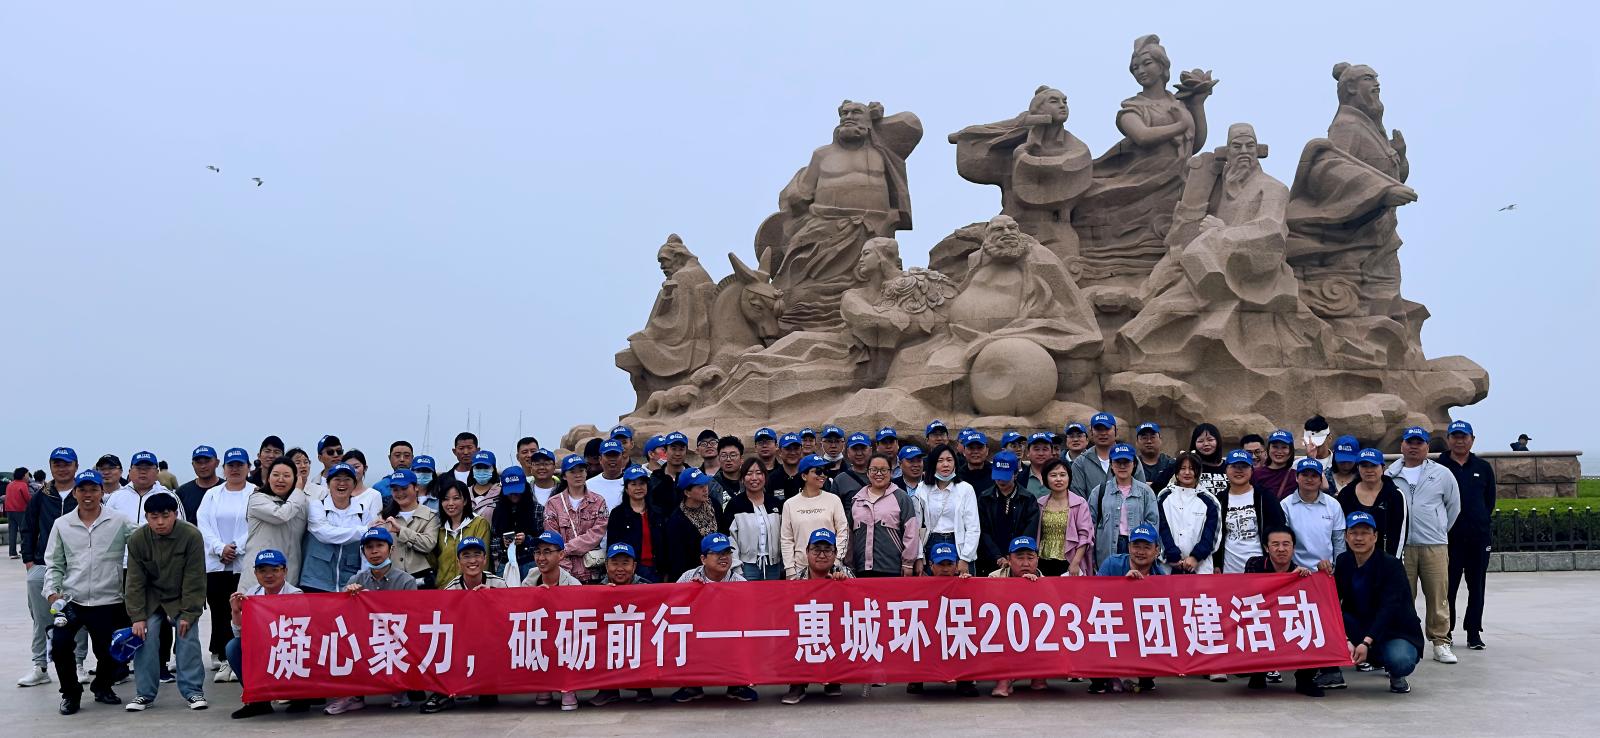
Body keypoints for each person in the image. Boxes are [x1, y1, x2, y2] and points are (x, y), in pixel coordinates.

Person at [43, 470, 134, 715]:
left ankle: (102, 686)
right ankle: (70, 693)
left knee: (110, 651)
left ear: (101, 492)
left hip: (109, 598)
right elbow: (54, 562)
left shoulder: (119, 520)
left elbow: (143, 543)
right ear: (74, 492)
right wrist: (52, 592)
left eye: (94, 489)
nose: (88, 495)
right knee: (60, 645)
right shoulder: (62, 524)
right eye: (82, 489)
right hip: (72, 600)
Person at [123, 492, 208, 712]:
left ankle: (193, 691)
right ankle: (144, 694)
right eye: (154, 517)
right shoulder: (137, 539)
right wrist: (137, 617)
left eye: (165, 516)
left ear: (175, 514)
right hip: (151, 599)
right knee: (144, 636)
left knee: (187, 637)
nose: (160, 522)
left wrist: (189, 613)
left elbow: (195, 577)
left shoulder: (191, 535)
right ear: (146, 517)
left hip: (181, 597)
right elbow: (134, 582)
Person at [1386, 426, 1461, 664]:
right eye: (1410, 442)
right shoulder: (1390, 474)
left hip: (1434, 544)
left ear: (1427, 446)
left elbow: (1453, 507)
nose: (1414, 447)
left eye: (1419, 442)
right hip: (1402, 547)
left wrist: (1438, 529)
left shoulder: (1442, 474)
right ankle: (1404, 640)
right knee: (1402, 597)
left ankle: (1440, 642)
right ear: (1402, 445)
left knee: (1438, 596)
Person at [324, 527, 419, 715]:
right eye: (369, 547)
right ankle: (354, 695)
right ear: (363, 552)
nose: (374, 551)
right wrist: (348, 597)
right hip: (365, 636)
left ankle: (399, 691)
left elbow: (412, 618)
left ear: (391, 549)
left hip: (395, 635)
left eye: (379, 546)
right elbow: (342, 615)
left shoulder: (406, 580)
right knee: (341, 641)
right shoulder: (356, 579)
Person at [1332, 511, 1423, 694]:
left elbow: (1389, 609)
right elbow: (1333, 602)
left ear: (1375, 537)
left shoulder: (1391, 565)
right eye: (1353, 533)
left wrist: (1366, 642)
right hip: (1358, 624)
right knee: (1324, 621)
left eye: (1365, 533)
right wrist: (1344, 639)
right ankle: (1331, 673)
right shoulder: (1343, 561)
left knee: (1400, 661)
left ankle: (1396, 674)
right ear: (1346, 537)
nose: (1359, 538)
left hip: (1393, 629)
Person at [19, 447, 86, 689]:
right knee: (41, 617)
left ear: (76, 466)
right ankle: (40, 665)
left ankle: (78, 663)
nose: (62, 468)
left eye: (67, 464)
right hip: (43, 563)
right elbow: (28, 527)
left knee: (77, 616)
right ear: (50, 467)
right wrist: (29, 560)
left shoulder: (84, 492)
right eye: (57, 464)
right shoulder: (41, 495)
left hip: (77, 566)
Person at [671, 533, 758, 704]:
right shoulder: (688, 577)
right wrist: (690, 593)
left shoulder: (739, 582)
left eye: (727, 552)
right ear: (703, 559)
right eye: (717, 553)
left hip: (728, 634)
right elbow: (672, 608)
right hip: (696, 633)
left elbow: (750, 615)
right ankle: (692, 685)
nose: (724, 557)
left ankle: (737, 684)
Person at [224, 549, 308, 719]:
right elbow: (240, 635)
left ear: (285, 571)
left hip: (288, 647)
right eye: (262, 571)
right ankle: (258, 701)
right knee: (233, 647)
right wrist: (236, 612)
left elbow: (303, 634)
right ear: (255, 573)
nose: (269, 575)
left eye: (275, 570)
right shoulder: (251, 595)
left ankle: (300, 696)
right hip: (262, 646)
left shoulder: (295, 595)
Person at [1242, 526, 1321, 696]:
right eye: (1275, 544)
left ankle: (1305, 679)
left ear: (1293, 547)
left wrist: (1298, 579)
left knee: (1314, 624)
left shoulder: (1301, 573)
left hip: (1288, 625)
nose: (1281, 549)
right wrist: (1287, 580)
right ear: (1266, 548)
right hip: (1262, 621)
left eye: (1286, 544)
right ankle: (1258, 671)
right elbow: (1250, 593)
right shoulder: (1254, 564)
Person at [195, 448, 251, 682]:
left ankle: (243, 659)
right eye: (231, 465)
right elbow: (203, 523)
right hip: (216, 564)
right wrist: (220, 548)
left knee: (242, 612)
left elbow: (255, 525)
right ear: (224, 468)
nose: (235, 469)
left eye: (240, 465)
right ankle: (225, 660)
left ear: (248, 467)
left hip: (241, 564)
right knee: (219, 612)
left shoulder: (255, 493)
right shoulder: (212, 494)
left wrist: (235, 547)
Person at [1438, 420, 1495, 651]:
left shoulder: (1483, 467)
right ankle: (1446, 631)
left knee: (1477, 587)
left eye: (1464, 437)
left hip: (1478, 538)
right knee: (1447, 587)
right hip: (1448, 539)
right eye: (1455, 436)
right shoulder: (1438, 467)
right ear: (1448, 439)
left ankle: (1473, 632)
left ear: (1472, 440)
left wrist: (1479, 521)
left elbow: (1489, 501)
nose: (1459, 441)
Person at [1091, 523, 1166, 694]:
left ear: (1156, 551)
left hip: (1140, 627)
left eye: (1146, 547)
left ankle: (1146, 676)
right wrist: (1123, 586)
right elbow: (1093, 595)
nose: (1140, 552)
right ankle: (1099, 678)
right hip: (1111, 623)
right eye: (1136, 546)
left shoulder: (1160, 576)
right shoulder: (1112, 564)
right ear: (1129, 547)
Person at [782, 529, 851, 705]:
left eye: (827, 550)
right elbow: (786, 615)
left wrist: (843, 587)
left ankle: (834, 679)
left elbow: (859, 604)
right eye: (816, 550)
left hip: (834, 632)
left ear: (835, 553)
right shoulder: (796, 581)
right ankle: (797, 683)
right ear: (807, 552)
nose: (821, 555)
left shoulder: (844, 574)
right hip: (807, 632)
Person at [906, 541, 979, 697]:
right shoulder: (920, 586)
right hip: (930, 630)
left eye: (949, 564)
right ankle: (917, 677)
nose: (945, 569)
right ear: (931, 565)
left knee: (967, 634)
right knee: (916, 632)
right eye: (941, 564)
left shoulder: (965, 583)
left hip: (955, 630)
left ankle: (965, 681)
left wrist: (969, 584)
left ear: (956, 566)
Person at [587, 541, 655, 707]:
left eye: (625, 563)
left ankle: (643, 687)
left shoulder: (647, 588)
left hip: (637, 639)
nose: (619, 568)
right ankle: (608, 690)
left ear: (634, 566)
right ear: (606, 565)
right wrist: (605, 595)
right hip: (610, 640)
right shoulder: (596, 590)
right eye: (614, 563)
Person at [300, 462, 380, 593]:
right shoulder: (317, 506)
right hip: (315, 581)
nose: (342, 483)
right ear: (328, 484)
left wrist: (363, 580)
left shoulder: (362, 511)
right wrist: (364, 530)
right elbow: (325, 533)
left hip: (349, 584)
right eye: (337, 479)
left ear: (354, 484)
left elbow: (366, 547)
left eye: (347, 479)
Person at [987, 535, 1048, 696]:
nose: (1025, 563)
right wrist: (1018, 587)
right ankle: (1004, 678)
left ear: (1037, 560)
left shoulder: (1047, 582)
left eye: (1030, 558)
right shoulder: (994, 578)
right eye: (1020, 558)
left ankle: (1039, 674)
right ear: (1009, 559)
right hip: (1004, 633)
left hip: (1034, 635)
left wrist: (1033, 588)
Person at [238, 458, 308, 593]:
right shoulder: (257, 499)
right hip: (257, 580)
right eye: (275, 475)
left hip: (289, 580)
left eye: (286, 476)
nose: (280, 480)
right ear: (268, 478)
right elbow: (282, 515)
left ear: (295, 479)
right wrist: (298, 491)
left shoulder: (301, 503)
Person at [1086, 444, 1159, 571]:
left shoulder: (1146, 492)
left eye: (1126, 462)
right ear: (1111, 464)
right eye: (1117, 462)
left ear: (1134, 464)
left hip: (1137, 546)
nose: (1122, 466)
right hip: (1107, 547)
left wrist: (1148, 549)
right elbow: (1090, 525)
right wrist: (1090, 556)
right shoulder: (1099, 491)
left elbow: (1153, 523)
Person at [1214, 449, 1286, 574]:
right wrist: (1216, 563)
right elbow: (1214, 535)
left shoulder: (1265, 496)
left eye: (1244, 466)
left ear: (1252, 470)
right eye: (1234, 466)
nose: (1239, 470)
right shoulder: (1219, 500)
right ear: (1226, 470)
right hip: (1229, 569)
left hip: (1261, 569)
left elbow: (1279, 529)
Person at [848, 453, 921, 577]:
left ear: (891, 472)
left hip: (892, 568)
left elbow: (911, 532)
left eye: (883, 470)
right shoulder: (857, 499)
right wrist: (849, 564)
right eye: (874, 470)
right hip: (861, 569)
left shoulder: (901, 497)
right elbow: (850, 535)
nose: (879, 473)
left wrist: (908, 563)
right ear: (867, 473)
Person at [779, 455, 851, 579]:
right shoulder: (790, 504)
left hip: (829, 568)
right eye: (817, 471)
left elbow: (843, 531)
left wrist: (836, 561)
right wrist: (790, 570)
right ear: (804, 476)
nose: (822, 475)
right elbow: (786, 539)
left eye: (824, 471)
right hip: (800, 570)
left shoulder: (834, 500)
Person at [914, 445, 980, 575]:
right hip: (932, 542)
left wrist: (965, 558)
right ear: (933, 464)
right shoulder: (922, 488)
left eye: (949, 460)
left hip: (957, 543)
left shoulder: (966, 489)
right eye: (940, 461)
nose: (945, 464)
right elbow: (916, 526)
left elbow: (973, 527)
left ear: (955, 463)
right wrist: (919, 556)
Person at [543, 454, 608, 584]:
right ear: (564, 476)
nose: (578, 475)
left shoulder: (598, 501)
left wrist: (567, 549)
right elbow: (552, 539)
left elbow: (596, 535)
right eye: (572, 472)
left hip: (593, 573)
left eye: (581, 471)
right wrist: (565, 569)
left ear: (586, 473)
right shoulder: (553, 504)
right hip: (564, 573)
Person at [1335, 448, 1407, 557]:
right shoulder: (1346, 494)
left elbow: (1400, 534)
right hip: (1352, 559)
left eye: (1374, 465)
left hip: (1384, 560)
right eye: (1364, 466)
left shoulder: (1395, 495)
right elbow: (1340, 530)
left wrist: (1392, 563)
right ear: (1358, 468)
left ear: (1383, 468)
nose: (1369, 470)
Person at [977, 451, 1040, 576]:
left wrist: (1013, 556)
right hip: (990, 560)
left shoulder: (1028, 499)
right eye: (998, 476)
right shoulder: (985, 498)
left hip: (1018, 560)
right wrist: (997, 556)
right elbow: (983, 530)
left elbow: (1030, 530)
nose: (1001, 480)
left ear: (1015, 474)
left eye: (1005, 476)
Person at [1156, 452, 1220, 573]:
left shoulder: (1210, 500)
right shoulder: (1164, 496)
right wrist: (1172, 556)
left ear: (1198, 472)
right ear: (1176, 472)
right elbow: (1160, 528)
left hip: (1200, 567)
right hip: (1168, 566)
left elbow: (1212, 535)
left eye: (1191, 468)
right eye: (1182, 468)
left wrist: (1195, 557)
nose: (1187, 472)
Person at [724, 458, 785, 581]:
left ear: (765, 477)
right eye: (749, 473)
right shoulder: (735, 504)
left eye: (758, 473)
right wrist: (736, 566)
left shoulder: (775, 503)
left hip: (773, 565)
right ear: (742, 479)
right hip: (746, 565)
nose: (754, 478)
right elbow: (730, 538)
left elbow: (784, 534)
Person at [1279, 458, 1344, 573]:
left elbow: (1339, 541)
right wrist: (1291, 568)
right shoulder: (1285, 505)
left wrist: (1337, 568)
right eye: (1304, 475)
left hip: (1327, 571)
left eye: (1314, 476)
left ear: (1321, 480)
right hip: (1296, 571)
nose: (1309, 479)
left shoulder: (1333, 504)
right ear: (1296, 478)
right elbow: (1283, 541)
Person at [378, 469, 439, 587]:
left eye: (404, 488)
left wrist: (400, 531)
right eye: (395, 489)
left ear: (416, 487)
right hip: (391, 578)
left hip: (422, 579)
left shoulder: (430, 515)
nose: (400, 493)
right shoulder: (384, 517)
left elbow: (428, 544)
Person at [1069, 413, 1147, 503]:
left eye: (1107, 429)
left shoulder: (1131, 459)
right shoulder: (1080, 462)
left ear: (1116, 431)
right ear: (1091, 432)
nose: (1103, 433)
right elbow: (1078, 499)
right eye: (1098, 429)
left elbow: (1142, 492)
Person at [660, 467, 720, 582]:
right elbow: (677, 558)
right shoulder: (677, 521)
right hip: (693, 576)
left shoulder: (714, 505)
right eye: (700, 487)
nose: (705, 489)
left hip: (718, 571)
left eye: (705, 485)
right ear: (687, 492)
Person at [1035, 459, 1093, 576]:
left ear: (1069, 477)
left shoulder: (1080, 503)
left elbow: (1085, 536)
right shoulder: (1040, 503)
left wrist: (1075, 562)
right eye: (1053, 475)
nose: (1058, 479)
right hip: (1042, 560)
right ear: (1046, 478)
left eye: (1062, 475)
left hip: (1070, 561)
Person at [605, 465, 662, 582]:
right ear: (626, 488)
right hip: (630, 573)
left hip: (657, 570)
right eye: (633, 484)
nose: (638, 488)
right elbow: (612, 547)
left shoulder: (657, 513)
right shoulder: (618, 514)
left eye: (642, 483)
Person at [434, 479, 491, 590]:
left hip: (472, 589)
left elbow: (484, 559)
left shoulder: (479, 523)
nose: (450, 503)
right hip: (444, 589)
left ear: (465, 501)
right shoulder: (439, 528)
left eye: (456, 498)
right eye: (445, 499)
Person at [492, 468, 544, 581]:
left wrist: (527, 540)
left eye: (517, 491)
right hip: (505, 564)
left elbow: (543, 540)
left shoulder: (537, 509)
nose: (514, 495)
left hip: (531, 563)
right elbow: (492, 541)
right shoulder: (498, 510)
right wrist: (502, 542)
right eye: (510, 491)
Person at [106, 451, 183, 526]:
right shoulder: (116, 496)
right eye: (138, 468)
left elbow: (181, 527)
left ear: (157, 472)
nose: (143, 472)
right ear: (130, 471)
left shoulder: (170, 496)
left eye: (148, 468)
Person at [1154, 423, 1227, 496]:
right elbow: (1156, 488)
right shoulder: (1182, 464)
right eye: (1200, 441)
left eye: (1210, 440)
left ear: (1218, 441)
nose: (1206, 444)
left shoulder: (1229, 466)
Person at [174, 446, 220, 524]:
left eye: (207, 461)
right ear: (193, 465)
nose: (203, 466)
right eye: (199, 462)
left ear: (217, 463)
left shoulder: (228, 489)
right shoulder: (182, 492)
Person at [647, 432, 692, 511]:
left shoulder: (693, 478)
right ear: (665, 451)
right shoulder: (655, 479)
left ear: (686, 451)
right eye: (673, 449)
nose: (677, 453)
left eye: (681, 449)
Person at [1253, 429, 1299, 500]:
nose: (1279, 451)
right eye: (1275, 447)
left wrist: (1311, 458)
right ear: (1268, 449)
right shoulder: (1255, 474)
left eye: (1284, 447)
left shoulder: (1296, 477)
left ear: (1290, 451)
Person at [589, 439, 628, 512]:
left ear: (622, 457)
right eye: (608, 455)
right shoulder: (589, 485)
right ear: (600, 459)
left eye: (615, 455)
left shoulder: (632, 483)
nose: (612, 459)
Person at [832, 432, 874, 501]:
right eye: (855, 449)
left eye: (863, 448)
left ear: (870, 451)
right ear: (848, 452)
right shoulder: (840, 480)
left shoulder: (881, 476)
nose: (859, 453)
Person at [766, 433, 806, 501]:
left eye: (796, 448)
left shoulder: (809, 477)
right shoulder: (772, 479)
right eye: (788, 449)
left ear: (801, 451)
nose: (792, 453)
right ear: (779, 452)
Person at [1134, 423, 1175, 487]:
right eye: (1144, 438)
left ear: (1160, 440)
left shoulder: (1170, 464)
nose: (1149, 441)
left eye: (1153, 437)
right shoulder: (1133, 464)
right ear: (1137, 442)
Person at [305, 435, 343, 499]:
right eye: (330, 452)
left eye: (339, 451)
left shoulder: (353, 479)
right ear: (320, 458)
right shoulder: (313, 484)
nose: (336, 455)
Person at [466, 450, 501, 520]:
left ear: (493, 469)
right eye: (478, 467)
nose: (482, 470)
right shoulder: (464, 493)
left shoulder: (500, 493)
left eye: (486, 467)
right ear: (472, 469)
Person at [5, 466, 31, 559]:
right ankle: (24, 550)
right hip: (20, 511)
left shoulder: (10, 484)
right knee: (24, 531)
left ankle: (12, 553)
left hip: (9, 511)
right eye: (27, 474)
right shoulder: (23, 485)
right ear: (23, 475)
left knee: (12, 532)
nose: (28, 476)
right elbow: (28, 498)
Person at [1020, 433, 1055, 497]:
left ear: (1052, 452)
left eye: (1045, 449)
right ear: (1028, 452)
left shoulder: (1061, 476)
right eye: (1036, 449)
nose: (1041, 453)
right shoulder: (1020, 478)